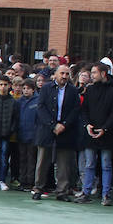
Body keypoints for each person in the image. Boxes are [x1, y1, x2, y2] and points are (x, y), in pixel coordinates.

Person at [34, 64, 82, 201]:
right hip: (47, 129)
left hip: (66, 130)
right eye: (62, 74)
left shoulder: (73, 91)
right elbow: (41, 108)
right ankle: (38, 188)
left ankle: (62, 191)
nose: (64, 77)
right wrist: (52, 125)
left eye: (67, 74)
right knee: (43, 161)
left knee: (64, 163)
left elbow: (75, 110)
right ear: (55, 74)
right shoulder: (46, 88)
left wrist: (64, 125)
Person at [79, 62, 113, 204]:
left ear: (103, 73)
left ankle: (106, 195)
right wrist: (87, 125)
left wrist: (105, 128)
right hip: (91, 132)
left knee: (106, 164)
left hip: (107, 134)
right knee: (89, 163)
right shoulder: (90, 90)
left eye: (94, 73)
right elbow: (84, 109)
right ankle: (86, 192)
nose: (92, 75)